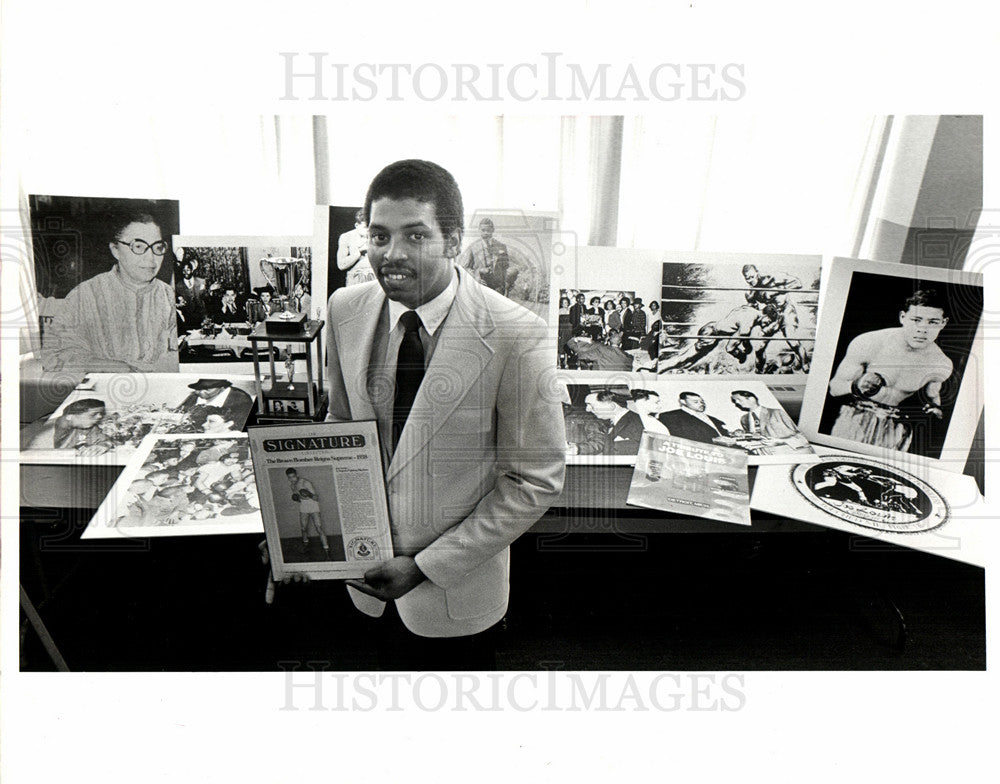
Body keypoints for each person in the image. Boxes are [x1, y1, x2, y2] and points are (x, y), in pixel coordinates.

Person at [319, 159, 565, 664]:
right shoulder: (345, 308)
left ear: (454, 242)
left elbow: (534, 480)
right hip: (358, 587)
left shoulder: (517, 335)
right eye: (380, 236)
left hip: (455, 601)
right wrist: (303, 529)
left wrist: (425, 566)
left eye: (415, 236)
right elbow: (339, 430)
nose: (392, 255)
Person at [41, 210, 178, 372]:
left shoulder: (169, 296)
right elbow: (53, 355)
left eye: (158, 247)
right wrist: (108, 366)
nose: (151, 258)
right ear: (115, 250)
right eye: (139, 246)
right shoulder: (85, 295)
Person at [827, 289, 953, 452]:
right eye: (916, 320)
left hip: (896, 429)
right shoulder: (869, 343)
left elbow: (933, 399)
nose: (923, 329)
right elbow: (834, 388)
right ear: (902, 317)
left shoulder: (941, 364)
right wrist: (855, 385)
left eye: (933, 322)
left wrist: (935, 409)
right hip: (854, 419)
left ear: (944, 323)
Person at [658, 304, 777, 373]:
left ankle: (661, 366)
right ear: (765, 314)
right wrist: (742, 353)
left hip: (711, 329)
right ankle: (661, 367)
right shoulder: (748, 323)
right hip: (710, 335)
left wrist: (746, 347)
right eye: (769, 321)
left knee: (690, 360)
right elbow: (730, 347)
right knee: (685, 359)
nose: (767, 324)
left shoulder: (749, 310)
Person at [742, 263, 808, 370]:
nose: (750, 280)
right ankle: (759, 371)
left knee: (792, 341)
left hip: (786, 311)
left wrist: (775, 291)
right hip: (771, 316)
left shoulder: (774, 278)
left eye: (752, 277)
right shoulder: (751, 293)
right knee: (759, 347)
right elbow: (753, 309)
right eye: (747, 279)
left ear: (757, 273)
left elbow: (798, 283)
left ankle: (806, 366)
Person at [21, 398, 114, 456]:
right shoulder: (40, 428)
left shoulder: (88, 427)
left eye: (101, 414)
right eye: (93, 415)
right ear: (69, 416)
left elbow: (105, 440)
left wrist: (103, 446)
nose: (99, 417)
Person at [728, 389, 811, 454]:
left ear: (751, 399)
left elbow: (802, 437)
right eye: (735, 400)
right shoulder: (744, 419)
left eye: (738, 399)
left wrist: (781, 441)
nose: (736, 402)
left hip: (789, 453)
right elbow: (757, 436)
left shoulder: (778, 412)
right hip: (763, 455)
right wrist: (743, 434)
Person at [581, 390, 645, 455]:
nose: (587, 409)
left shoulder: (636, 422)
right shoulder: (609, 423)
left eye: (591, 405)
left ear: (612, 406)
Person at [176, 378, 253, 430]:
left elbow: (241, 425)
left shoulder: (240, 398)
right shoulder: (194, 396)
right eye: (198, 389)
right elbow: (180, 411)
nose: (201, 392)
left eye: (207, 389)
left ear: (222, 388)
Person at [657, 391, 732, 444]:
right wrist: (713, 440)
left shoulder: (712, 418)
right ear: (683, 401)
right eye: (695, 402)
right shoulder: (670, 416)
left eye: (702, 402)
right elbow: (678, 438)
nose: (701, 404)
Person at [285, 468, 330, 555]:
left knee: (319, 528)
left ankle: (326, 549)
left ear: (297, 475)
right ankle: (306, 544)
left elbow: (316, 498)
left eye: (293, 476)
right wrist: (297, 498)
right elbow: (299, 499)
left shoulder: (305, 483)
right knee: (303, 528)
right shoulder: (292, 486)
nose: (292, 479)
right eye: (290, 477)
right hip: (304, 506)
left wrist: (308, 494)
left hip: (313, 505)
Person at [566, 329, 633, 372]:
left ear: (609, 342)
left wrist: (577, 339)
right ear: (620, 345)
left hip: (602, 381)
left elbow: (581, 355)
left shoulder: (601, 350)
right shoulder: (628, 357)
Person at [338, 209, 375, 287]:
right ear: (356, 225)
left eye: (370, 227)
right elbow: (341, 265)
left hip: (374, 279)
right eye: (365, 227)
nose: (368, 231)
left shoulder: (376, 236)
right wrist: (357, 253)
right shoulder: (347, 237)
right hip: (354, 279)